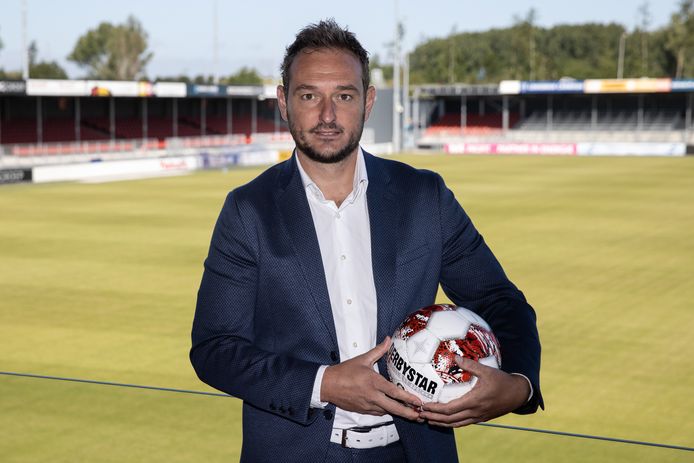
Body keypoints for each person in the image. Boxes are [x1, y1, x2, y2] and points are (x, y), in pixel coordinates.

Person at [190, 19, 543, 463]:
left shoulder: (424, 197)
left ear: (368, 101)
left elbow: (498, 299)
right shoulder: (248, 211)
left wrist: (519, 385)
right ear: (283, 102)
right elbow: (214, 348)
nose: (327, 116)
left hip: (414, 452)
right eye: (308, 96)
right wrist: (322, 383)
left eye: (344, 95)